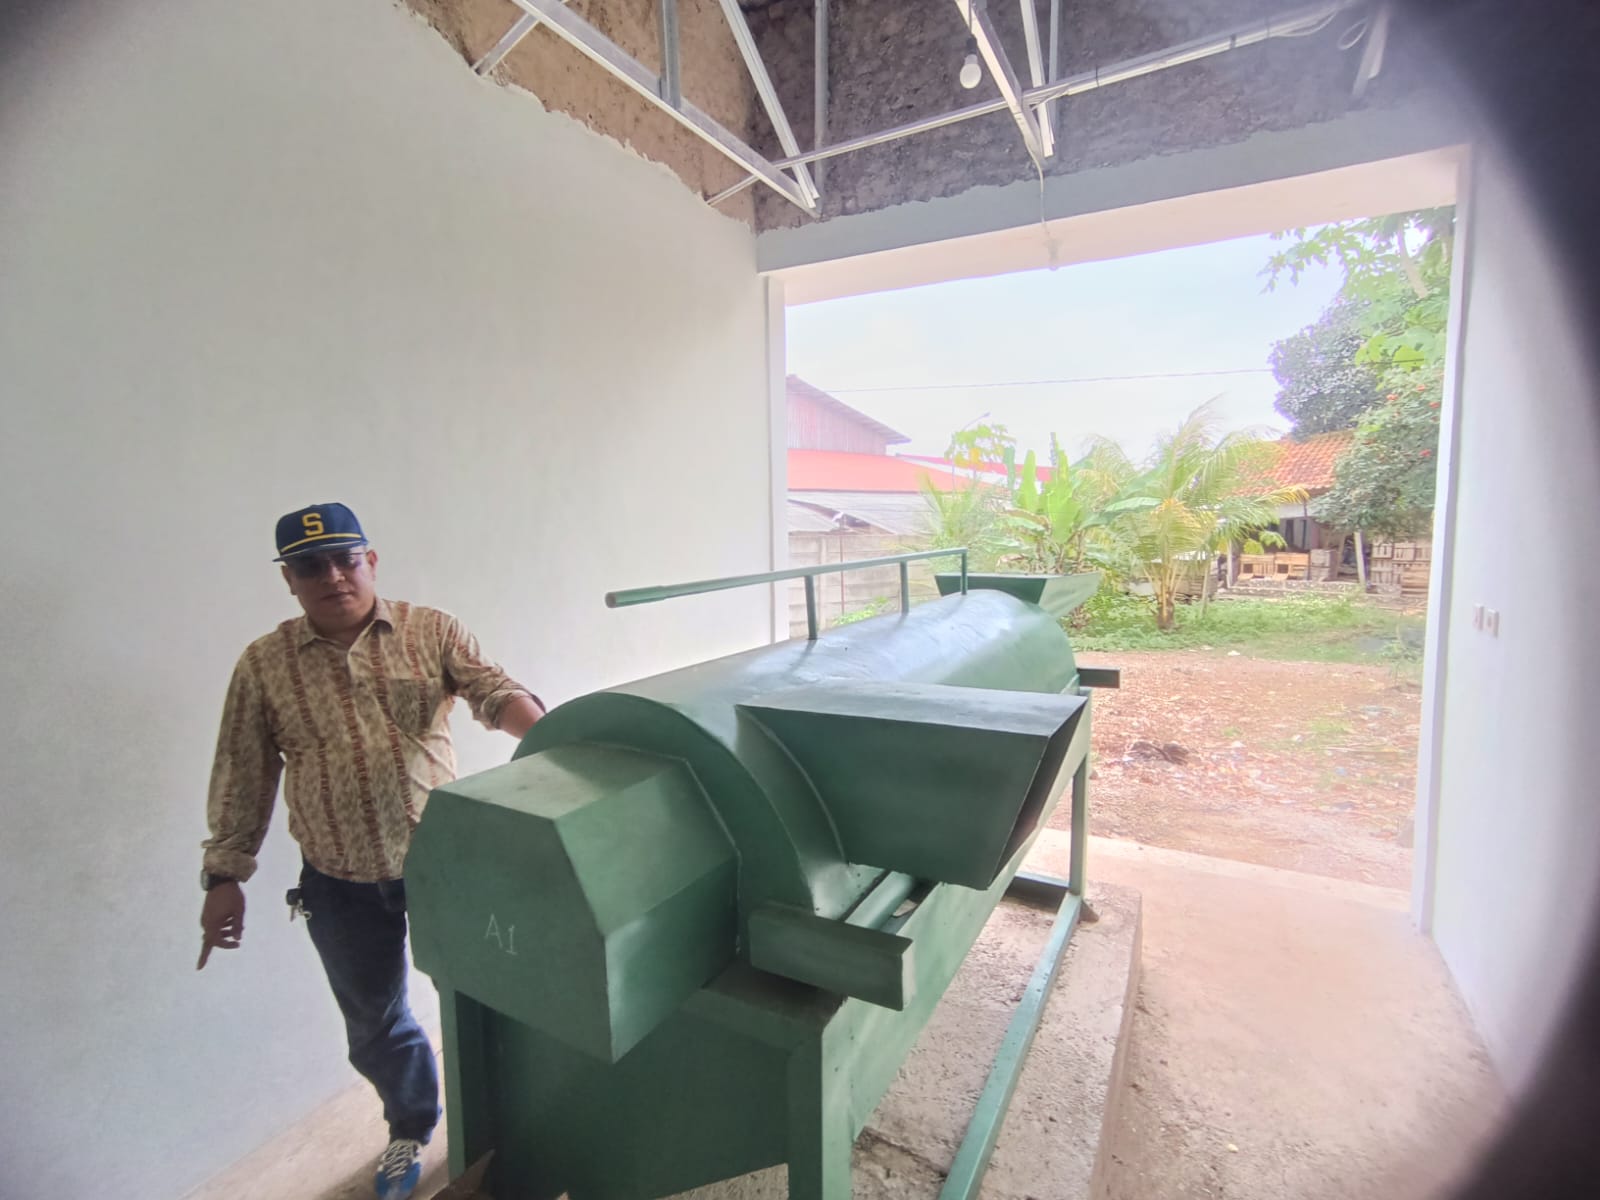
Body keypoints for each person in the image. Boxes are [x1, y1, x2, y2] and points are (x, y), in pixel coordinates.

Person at [197, 502, 544, 1200]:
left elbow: (493, 691)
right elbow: (243, 773)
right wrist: (223, 876)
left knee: (486, 997)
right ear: (289, 581)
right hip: (339, 882)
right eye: (308, 567)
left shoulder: (430, 631)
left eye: (345, 560)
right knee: (375, 1022)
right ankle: (411, 1127)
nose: (331, 576)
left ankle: (517, 1126)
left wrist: (551, 735)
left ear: (370, 562)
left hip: (445, 865)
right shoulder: (265, 666)